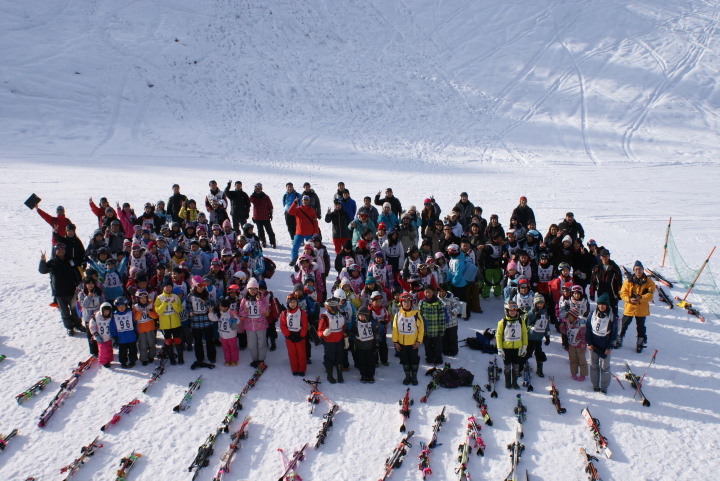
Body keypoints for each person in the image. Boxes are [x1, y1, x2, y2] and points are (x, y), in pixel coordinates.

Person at [39, 243, 84, 336]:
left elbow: (77, 271)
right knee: (65, 312)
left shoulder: (70, 260)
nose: (61, 251)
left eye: (62, 249)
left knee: (75, 310)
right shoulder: (52, 262)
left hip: (72, 291)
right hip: (59, 293)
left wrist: (80, 283)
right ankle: (69, 327)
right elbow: (43, 270)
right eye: (58, 249)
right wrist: (43, 261)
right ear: (55, 251)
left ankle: (78, 325)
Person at [618, 260, 655, 352]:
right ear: (634, 270)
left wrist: (640, 298)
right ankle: (619, 338)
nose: (638, 271)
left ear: (643, 270)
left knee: (641, 326)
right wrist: (629, 299)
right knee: (624, 324)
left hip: (641, 308)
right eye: (636, 269)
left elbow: (650, 295)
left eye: (640, 269)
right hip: (629, 307)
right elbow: (622, 294)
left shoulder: (649, 282)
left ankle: (640, 341)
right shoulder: (628, 281)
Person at [586, 293, 617, 393]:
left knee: (605, 367)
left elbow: (614, 333)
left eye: (603, 304)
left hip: (605, 345)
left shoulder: (611, 317)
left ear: (607, 305)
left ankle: (604, 386)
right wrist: (589, 343)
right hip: (593, 345)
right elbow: (588, 329)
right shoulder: (592, 314)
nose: (601, 306)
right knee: (593, 365)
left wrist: (610, 347)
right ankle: (595, 384)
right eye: (599, 304)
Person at [392, 293, 424, 385]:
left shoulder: (416, 314)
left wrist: (418, 341)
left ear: (412, 303)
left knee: (414, 359)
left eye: (408, 302)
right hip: (402, 343)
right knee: (404, 360)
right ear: (401, 303)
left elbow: (421, 329)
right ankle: (407, 376)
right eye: (404, 302)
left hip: (413, 343)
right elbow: (395, 329)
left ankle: (414, 375)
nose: (407, 304)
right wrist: (395, 342)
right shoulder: (398, 315)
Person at [238, 278, 270, 367]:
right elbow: (241, 314)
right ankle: (255, 359)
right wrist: (245, 310)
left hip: (261, 325)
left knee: (262, 343)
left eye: (255, 289)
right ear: (247, 289)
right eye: (251, 289)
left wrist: (259, 301)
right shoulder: (244, 300)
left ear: (257, 289)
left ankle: (261, 360)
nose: (253, 291)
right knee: (251, 344)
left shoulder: (262, 298)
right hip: (249, 325)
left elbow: (265, 311)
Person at [496, 300, 528, 389]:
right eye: (510, 310)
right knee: (507, 366)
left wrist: (524, 346)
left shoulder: (520, 321)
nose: (513, 312)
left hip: (517, 348)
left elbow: (524, 334)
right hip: (506, 349)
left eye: (515, 310)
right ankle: (507, 382)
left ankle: (514, 382)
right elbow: (498, 335)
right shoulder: (502, 322)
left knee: (516, 366)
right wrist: (499, 348)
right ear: (507, 311)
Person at [186, 276, 217, 367]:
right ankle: (200, 357)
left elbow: (213, 305)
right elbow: (187, 307)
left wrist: (206, 303)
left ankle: (211, 356)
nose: (201, 288)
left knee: (209, 340)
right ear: (194, 286)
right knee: (198, 341)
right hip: (196, 321)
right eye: (199, 286)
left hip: (207, 320)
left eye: (203, 286)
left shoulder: (207, 295)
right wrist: (190, 312)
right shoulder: (190, 296)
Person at [154, 277, 185, 365]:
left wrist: (173, 302)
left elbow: (179, 309)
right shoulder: (159, 298)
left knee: (177, 341)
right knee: (168, 342)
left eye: (170, 286)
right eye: (166, 286)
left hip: (175, 323)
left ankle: (180, 358)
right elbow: (158, 311)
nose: (168, 288)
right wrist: (164, 303)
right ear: (163, 287)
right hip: (165, 325)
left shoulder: (175, 296)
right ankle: (172, 359)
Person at [317, 297, 348, 384]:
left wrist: (345, 338)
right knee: (329, 358)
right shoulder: (325, 317)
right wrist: (323, 333)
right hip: (329, 341)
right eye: (337, 305)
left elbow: (343, 328)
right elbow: (319, 331)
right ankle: (329, 375)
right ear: (332, 306)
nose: (339, 307)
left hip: (339, 340)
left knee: (340, 357)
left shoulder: (340, 315)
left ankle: (340, 374)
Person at [589, 248, 623, 320]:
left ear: (609, 256)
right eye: (603, 256)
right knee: (601, 312)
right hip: (601, 293)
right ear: (600, 257)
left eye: (606, 256)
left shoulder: (615, 268)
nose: (605, 258)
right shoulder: (597, 269)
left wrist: (619, 294)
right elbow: (592, 282)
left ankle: (614, 325)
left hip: (612, 294)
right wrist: (592, 294)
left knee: (613, 313)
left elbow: (619, 283)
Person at [522, 293, 550, 377]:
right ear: (535, 304)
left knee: (539, 354)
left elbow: (546, 326)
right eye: (538, 303)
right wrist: (534, 318)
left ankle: (539, 370)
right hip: (530, 337)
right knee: (528, 353)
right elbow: (526, 324)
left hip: (539, 338)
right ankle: (520, 367)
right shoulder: (531, 313)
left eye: (541, 303)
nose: (540, 305)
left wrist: (547, 336)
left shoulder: (545, 313)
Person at [280, 294, 308, 376]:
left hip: (299, 336)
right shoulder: (285, 313)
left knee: (301, 353)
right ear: (288, 303)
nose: (293, 304)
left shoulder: (301, 312)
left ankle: (302, 369)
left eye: (294, 302)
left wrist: (302, 335)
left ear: (297, 303)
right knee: (292, 354)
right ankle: (294, 368)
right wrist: (288, 335)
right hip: (289, 337)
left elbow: (304, 324)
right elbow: (282, 325)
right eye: (291, 302)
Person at [288, 196, 320, 266]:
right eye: (304, 200)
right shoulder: (298, 210)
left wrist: (316, 233)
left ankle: (311, 259)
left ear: (309, 201)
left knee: (311, 248)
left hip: (309, 233)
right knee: (295, 247)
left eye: (307, 200)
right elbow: (290, 212)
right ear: (302, 201)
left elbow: (315, 222)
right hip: (299, 232)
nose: (305, 201)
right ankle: (294, 260)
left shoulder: (312, 210)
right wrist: (294, 203)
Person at [419, 285, 446, 366]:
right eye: (426, 292)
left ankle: (438, 359)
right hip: (426, 330)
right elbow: (419, 317)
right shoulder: (422, 302)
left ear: (433, 292)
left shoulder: (438, 302)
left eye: (429, 292)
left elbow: (442, 317)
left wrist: (441, 330)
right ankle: (429, 358)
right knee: (427, 346)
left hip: (436, 330)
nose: (428, 294)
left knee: (437, 346)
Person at [210, 297, 241, 366]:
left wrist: (233, 319)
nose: (219, 307)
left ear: (226, 307)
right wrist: (210, 312)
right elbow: (213, 318)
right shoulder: (219, 313)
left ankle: (234, 360)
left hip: (231, 335)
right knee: (225, 348)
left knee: (233, 348)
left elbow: (238, 321)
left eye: (221, 306)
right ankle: (227, 360)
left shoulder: (231, 313)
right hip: (223, 335)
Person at [109, 297, 138, 369]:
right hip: (121, 337)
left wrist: (137, 332)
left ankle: (132, 361)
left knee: (133, 349)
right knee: (122, 351)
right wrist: (114, 337)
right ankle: (123, 362)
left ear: (126, 305)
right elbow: (112, 327)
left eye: (122, 306)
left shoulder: (130, 313)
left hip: (131, 336)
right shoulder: (114, 315)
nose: (121, 308)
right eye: (119, 307)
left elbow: (135, 323)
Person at [133, 290, 158, 366]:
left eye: (144, 298)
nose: (143, 300)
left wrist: (150, 313)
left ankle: (151, 356)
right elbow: (135, 318)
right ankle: (143, 359)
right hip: (141, 329)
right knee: (143, 345)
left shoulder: (151, 304)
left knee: (151, 343)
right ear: (138, 299)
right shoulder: (135, 307)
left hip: (150, 327)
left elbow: (156, 316)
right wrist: (139, 313)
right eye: (141, 298)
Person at [354, 306, 379, 383]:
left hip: (370, 346)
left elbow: (376, 333)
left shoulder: (372, 323)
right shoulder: (356, 323)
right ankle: (363, 375)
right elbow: (353, 332)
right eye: (359, 315)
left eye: (363, 316)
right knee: (362, 361)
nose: (361, 317)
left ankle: (370, 375)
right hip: (360, 346)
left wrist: (376, 344)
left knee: (370, 361)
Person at [563, 307, 587, 381]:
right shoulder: (568, 323)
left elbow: (583, 335)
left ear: (575, 317)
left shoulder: (581, 324)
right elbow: (566, 332)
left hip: (579, 345)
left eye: (571, 316)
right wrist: (562, 328)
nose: (569, 318)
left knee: (582, 361)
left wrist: (583, 345)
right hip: (571, 345)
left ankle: (583, 374)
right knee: (573, 360)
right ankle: (573, 373)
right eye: (569, 316)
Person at [249, 183, 276, 249]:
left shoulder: (266, 197)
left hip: (265, 217)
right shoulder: (254, 197)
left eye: (259, 189)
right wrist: (254, 194)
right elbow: (250, 200)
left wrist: (270, 214)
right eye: (257, 189)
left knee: (269, 230)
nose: (258, 190)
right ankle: (263, 241)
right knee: (260, 231)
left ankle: (273, 242)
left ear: (261, 189)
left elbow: (270, 206)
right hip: (257, 217)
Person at [89, 302, 114, 368]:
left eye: (108, 311)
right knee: (103, 350)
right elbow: (92, 327)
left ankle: (109, 359)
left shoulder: (111, 317)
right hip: (100, 338)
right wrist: (96, 335)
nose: (106, 313)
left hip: (108, 337)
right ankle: (103, 361)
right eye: (105, 311)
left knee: (109, 349)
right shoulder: (96, 317)